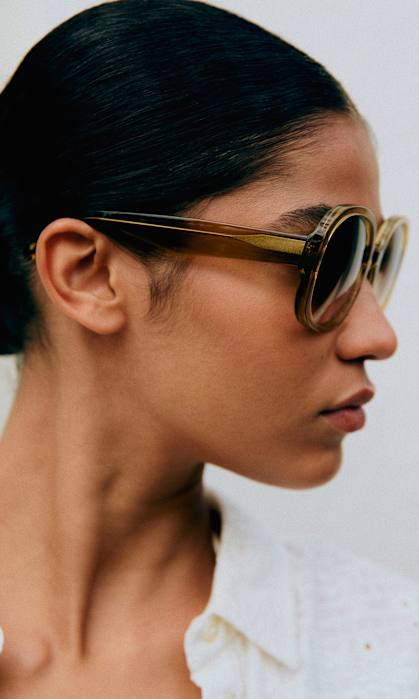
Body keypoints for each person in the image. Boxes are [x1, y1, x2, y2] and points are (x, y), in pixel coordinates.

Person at [0, 0, 417, 696]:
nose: (378, 336)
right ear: (89, 274)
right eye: (324, 259)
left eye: (372, 260)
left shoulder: (391, 662)